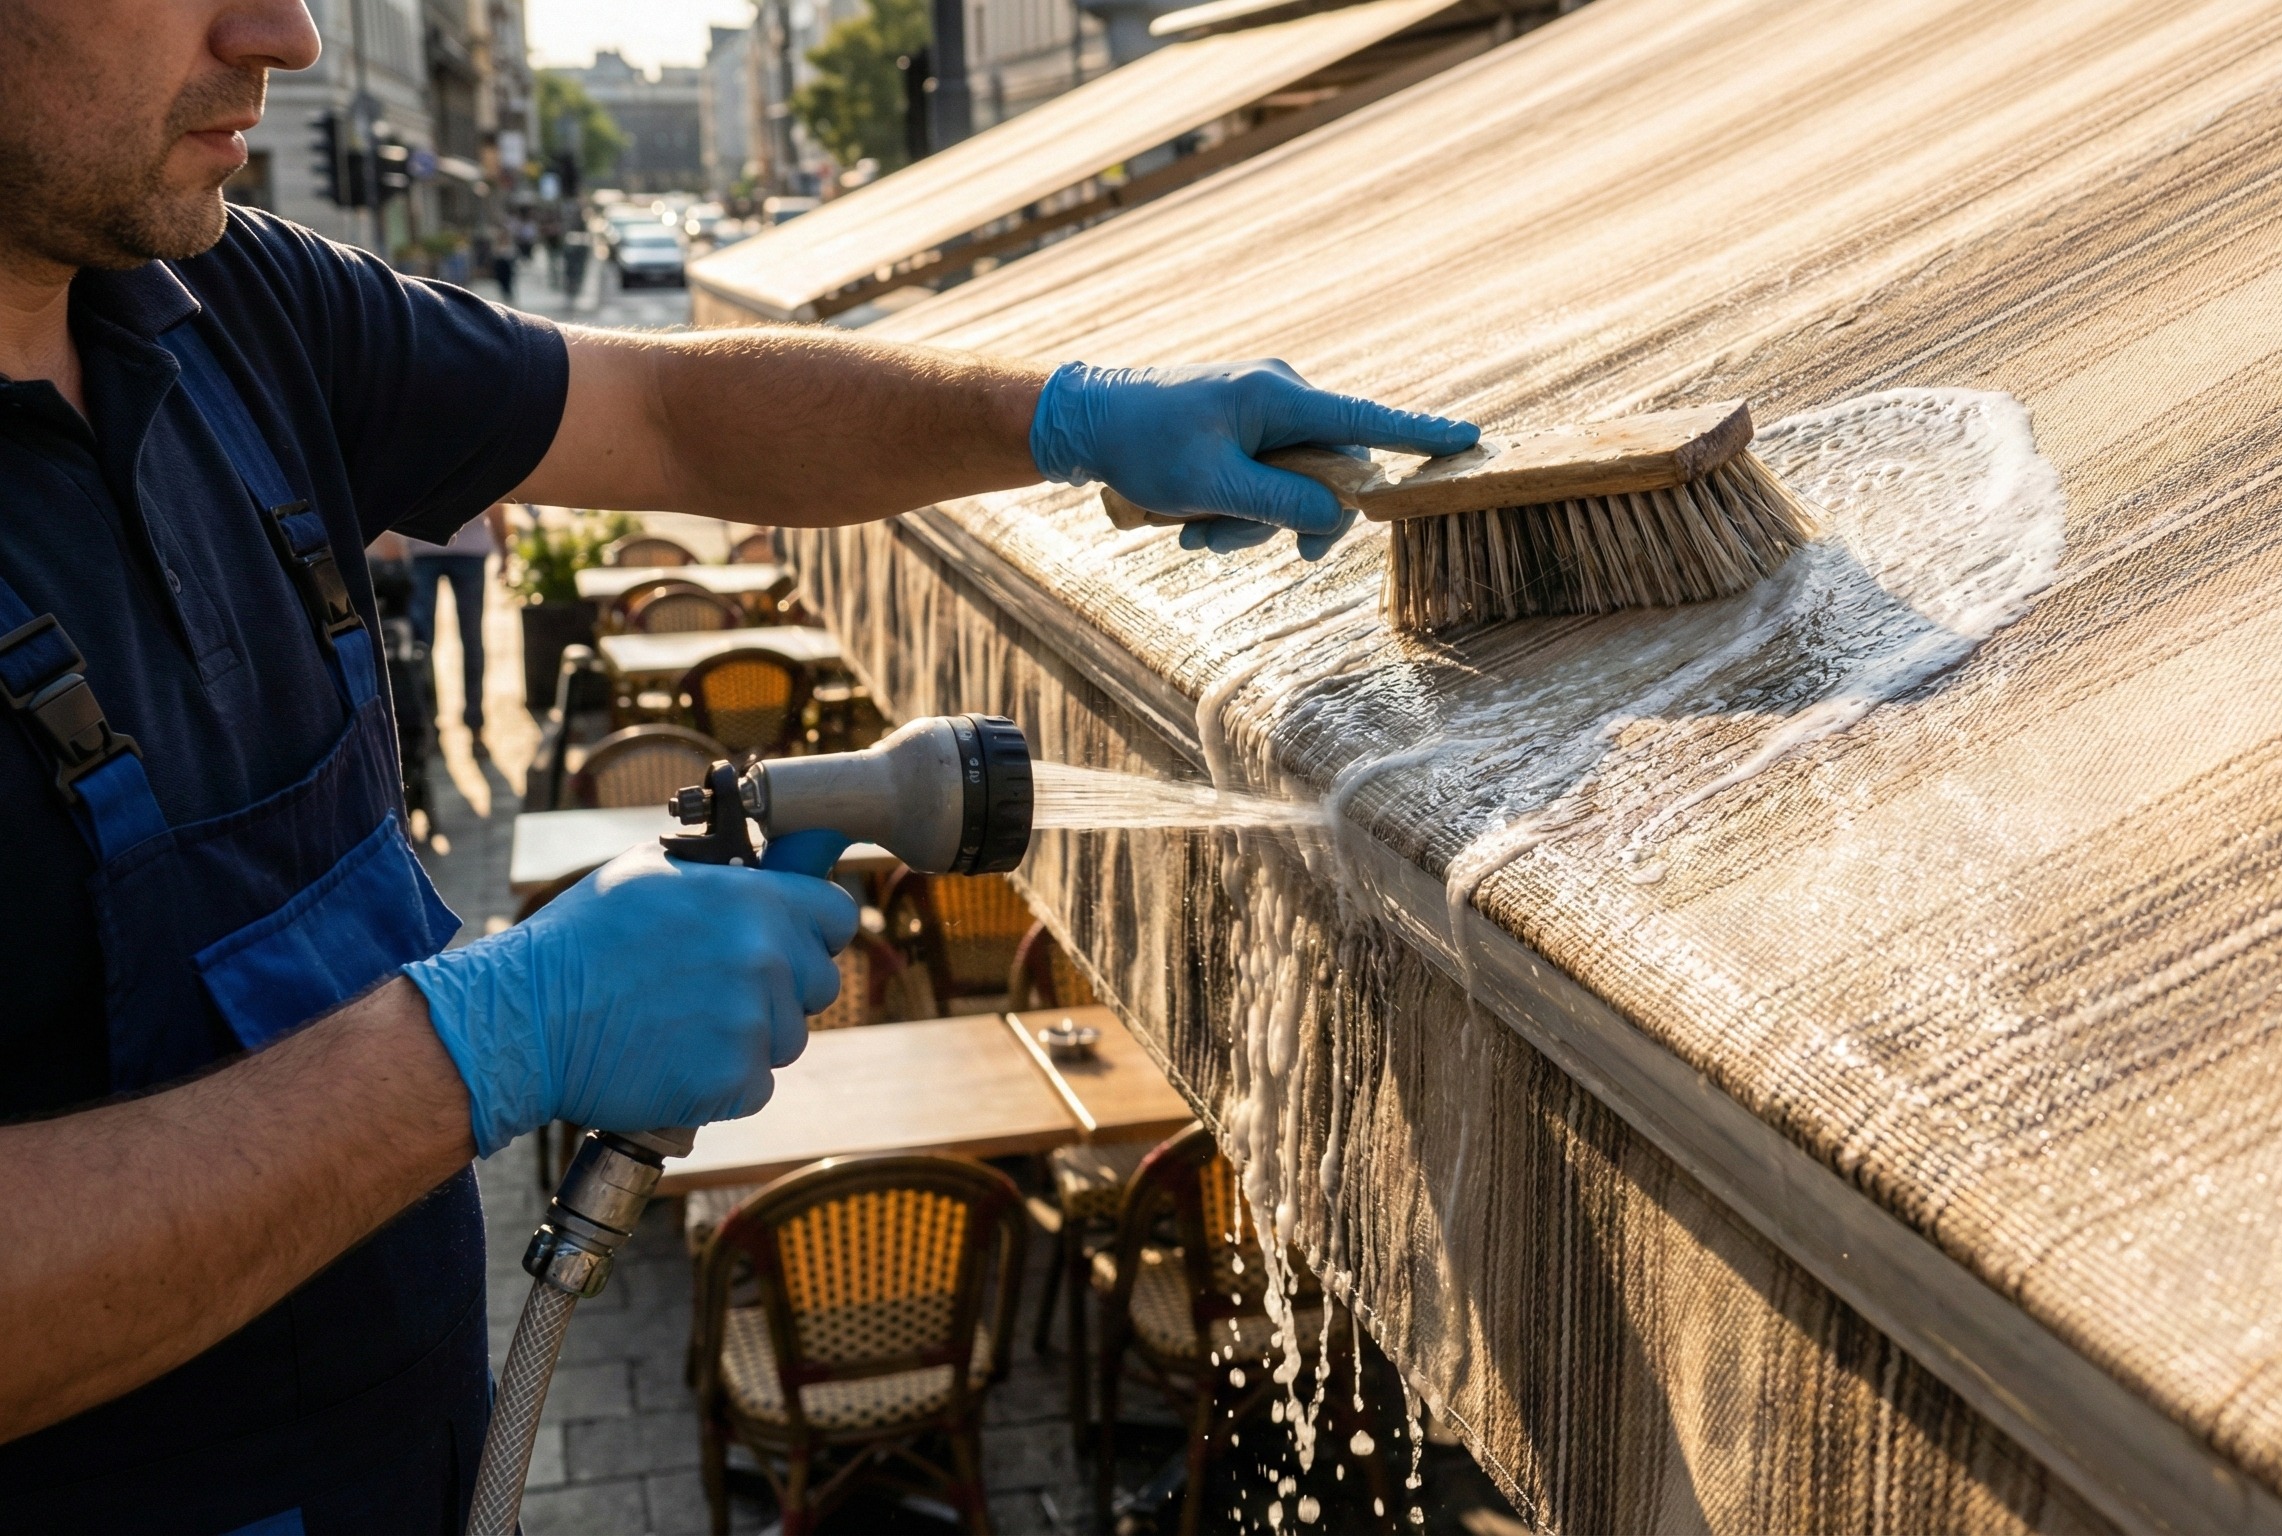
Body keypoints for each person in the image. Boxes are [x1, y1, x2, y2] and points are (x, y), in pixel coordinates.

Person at [0, 3, 1476, 1532]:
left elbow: (675, 415)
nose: (289, 35)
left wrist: (1065, 418)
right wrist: (477, 1046)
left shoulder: (228, 303)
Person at [402, 503, 503, 733]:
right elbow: (498, 501)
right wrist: (504, 548)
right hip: (460, 549)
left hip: (424, 548)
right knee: (469, 639)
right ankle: (471, 721)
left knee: (423, 642)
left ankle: (431, 723)